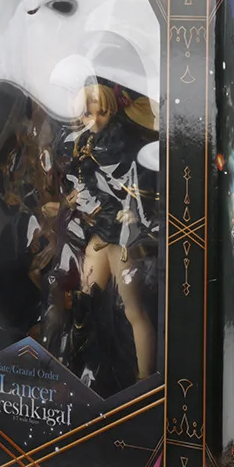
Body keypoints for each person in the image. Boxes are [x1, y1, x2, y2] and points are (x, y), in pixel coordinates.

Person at [43, 82, 158, 388]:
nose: (94, 119)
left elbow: (143, 182)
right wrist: (65, 204)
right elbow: (82, 187)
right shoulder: (81, 145)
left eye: (101, 112)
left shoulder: (123, 143)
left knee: (133, 310)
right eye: (88, 113)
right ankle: (79, 366)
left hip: (122, 235)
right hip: (97, 233)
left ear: (112, 111)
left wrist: (134, 212)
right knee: (85, 300)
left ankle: (144, 379)